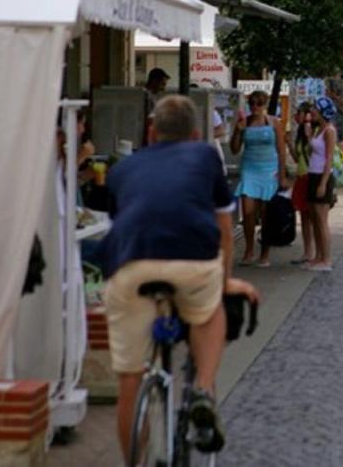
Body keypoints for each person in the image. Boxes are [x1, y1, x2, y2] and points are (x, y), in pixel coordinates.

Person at [101, 96, 259, 458]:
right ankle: (203, 388)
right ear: (195, 133)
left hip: (130, 268)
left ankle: (134, 457)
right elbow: (223, 226)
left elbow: (119, 224)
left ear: (152, 132)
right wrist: (225, 280)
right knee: (209, 312)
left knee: (129, 379)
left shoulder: (124, 168)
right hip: (193, 263)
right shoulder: (205, 157)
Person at [230, 91, 287, 267]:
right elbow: (234, 149)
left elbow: (281, 149)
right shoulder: (244, 122)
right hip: (249, 169)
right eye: (252, 103)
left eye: (259, 103)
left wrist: (282, 175)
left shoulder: (274, 122)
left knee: (266, 214)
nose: (255, 107)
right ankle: (249, 250)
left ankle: (265, 252)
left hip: (269, 170)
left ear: (265, 104)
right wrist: (238, 132)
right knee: (247, 212)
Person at [305, 96, 339, 271]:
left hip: (321, 176)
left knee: (321, 219)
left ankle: (326, 258)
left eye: (315, 109)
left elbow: (329, 158)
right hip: (312, 174)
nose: (312, 112)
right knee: (314, 218)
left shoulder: (329, 131)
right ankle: (318, 256)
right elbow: (314, 152)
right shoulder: (319, 130)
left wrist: (323, 183)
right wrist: (309, 136)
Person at [290, 103, 317, 266]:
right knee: (304, 217)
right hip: (301, 177)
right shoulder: (301, 132)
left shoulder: (312, 132)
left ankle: (315, 252)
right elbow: (297, 158)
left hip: (310, 176)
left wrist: (309, 137)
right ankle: (307, 251)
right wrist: (288, 144)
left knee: (313, 217)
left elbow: (316, 154)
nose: (296, 116)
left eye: (299, 113)